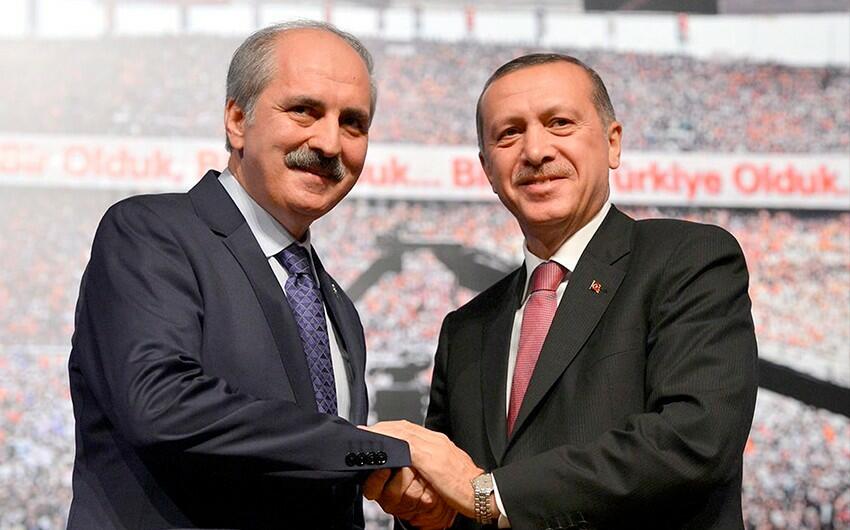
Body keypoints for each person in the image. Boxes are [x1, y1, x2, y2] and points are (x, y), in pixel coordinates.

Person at [364, 53, 758, 529]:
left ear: (613, 143)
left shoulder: (688, 259)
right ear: (487, 169)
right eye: (509, 133)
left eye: (560, 123)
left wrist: (491, 495)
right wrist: (428, 513)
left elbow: (695, 440)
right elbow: (458, 493)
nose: (535, 151)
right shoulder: (465, 329)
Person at [67, 21, 424, 530]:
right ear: (238, 120)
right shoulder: (152, 232)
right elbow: (161, 404)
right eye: (303, 110)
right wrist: (376, 449)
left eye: (353, 123)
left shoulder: (337, 306)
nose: (329, 142)